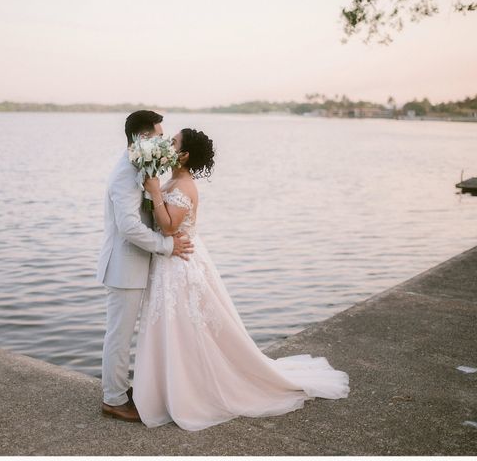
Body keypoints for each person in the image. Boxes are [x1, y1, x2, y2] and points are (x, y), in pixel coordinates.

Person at [132, 128, 350, 431]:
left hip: (180, 265)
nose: (168, 145)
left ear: (184, 155)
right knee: (170, 329)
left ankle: (190, 391)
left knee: (185, 328)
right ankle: (162, 388)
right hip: (168, 264)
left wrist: (155, 193)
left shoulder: (184, 186)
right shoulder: (171, 180)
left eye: (173, 143)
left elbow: (169, 228)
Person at [96, 110, 194, 423]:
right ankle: (113, 400)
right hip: (124, 268)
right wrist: (167, 245)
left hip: (135, 265)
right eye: (159, 135)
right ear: (142, 138)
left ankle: (121, 389)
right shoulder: (126, 172)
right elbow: (128, 226)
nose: (164, 142)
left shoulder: (137, 165)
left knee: (124, 335)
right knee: (119, 336)